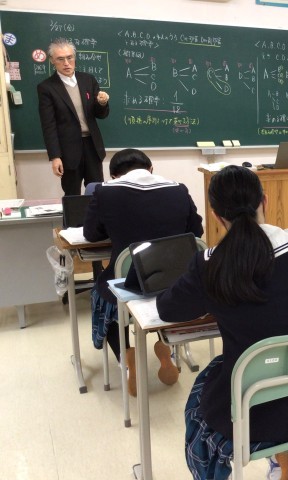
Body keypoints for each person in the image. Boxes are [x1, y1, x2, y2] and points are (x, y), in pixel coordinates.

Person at [156, 165, 288, 480]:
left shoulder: (210, 264)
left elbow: (168, 309)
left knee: (202, 392)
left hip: (253, 416)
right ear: (265, 201)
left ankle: (270, 461)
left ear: (216, 216)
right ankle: (283, 462)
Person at [83, 148, 203, 397]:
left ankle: (126, 358)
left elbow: (91, 234)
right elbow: (196, 232)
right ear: (151, 169)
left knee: (102, 291)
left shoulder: (104, 192)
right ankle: (166, 348)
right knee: (159, 288)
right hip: (175, 280)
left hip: (127, 282)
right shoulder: (178, 189)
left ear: (114, 176)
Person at [38, 38, 110, 196]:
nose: (66, 63)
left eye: (69, 58)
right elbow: (48, 125)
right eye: (60, 59)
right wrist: (55, 157)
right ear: (52, 61)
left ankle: (95, 215)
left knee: (97, 191)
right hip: (68, 149)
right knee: (72, 195)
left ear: (74, 58)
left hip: (92, 145)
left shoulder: (88, 80)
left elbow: (100, 114)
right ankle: (73, 215)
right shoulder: (47, 87)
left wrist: (102, 103)